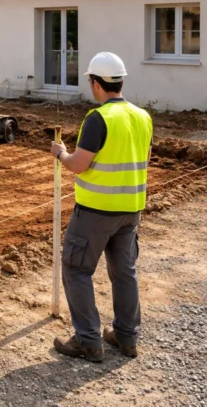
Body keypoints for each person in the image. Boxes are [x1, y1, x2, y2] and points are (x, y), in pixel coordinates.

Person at [50, 51, 153, 363]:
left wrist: (60, 153)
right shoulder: (143, 116)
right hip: (131, 210)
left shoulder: (98, 118)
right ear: (121, 82)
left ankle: (88, 340)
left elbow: (78, 165)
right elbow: (145, 160)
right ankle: (126, 337)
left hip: (95, 212)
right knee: (124, 273)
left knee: (76, 269)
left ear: (96, 83)